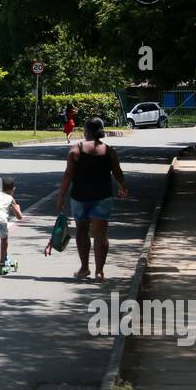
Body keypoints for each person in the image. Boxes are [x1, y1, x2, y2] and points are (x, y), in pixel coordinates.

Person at [54, 117, 128, 281]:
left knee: (82, 231)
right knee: (101, 234)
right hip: (103, 196)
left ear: (86, 131)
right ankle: (99, 272)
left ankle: (84, 268)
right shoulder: (109, 150)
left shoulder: (75, 150)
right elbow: (117, 171)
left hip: (80, 197)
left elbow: (68, 175)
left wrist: (60, 196)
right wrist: (123, 187)